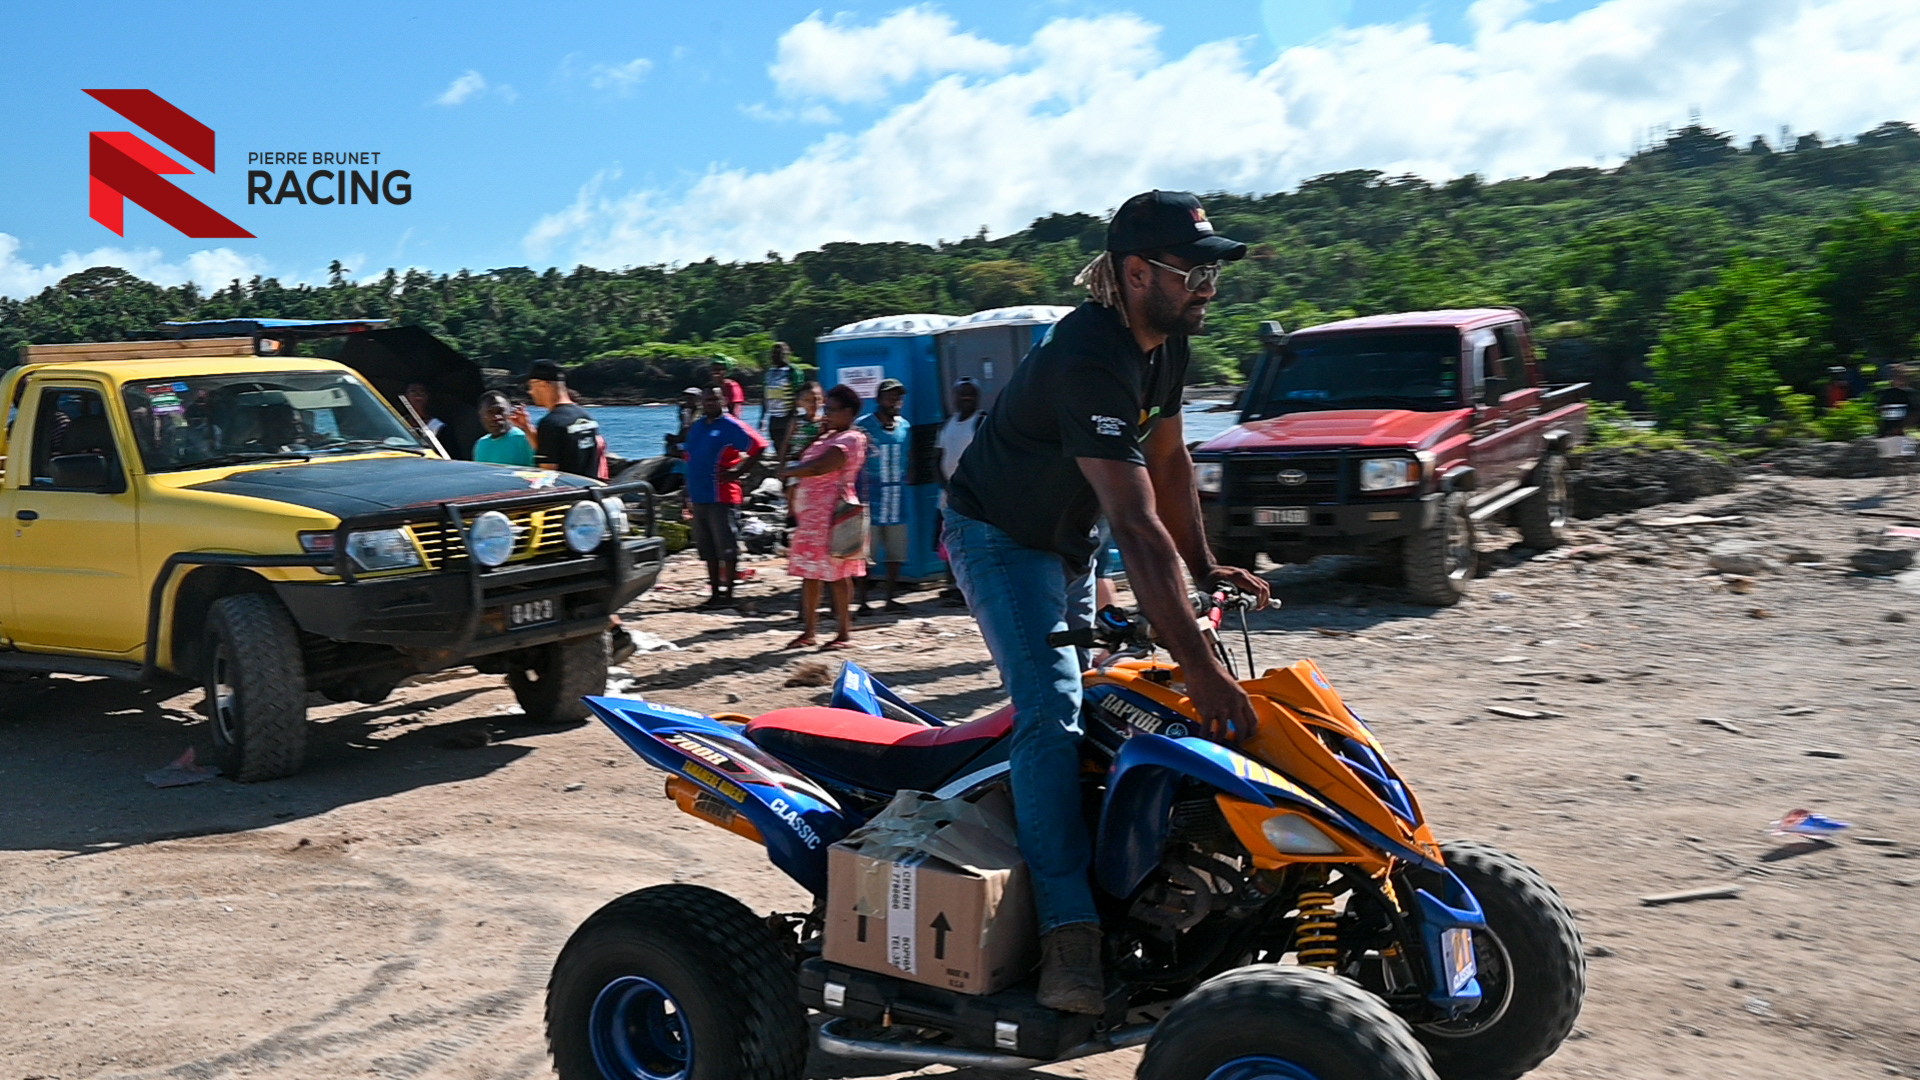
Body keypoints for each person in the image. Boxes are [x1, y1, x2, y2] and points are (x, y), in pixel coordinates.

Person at [943, 190, 1272, 1014]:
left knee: (1112, 702)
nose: (1208, 285)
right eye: (1191, 270)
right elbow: (1135, 522)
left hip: (1069, 539)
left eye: (1213, 271)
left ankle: (1121, 868)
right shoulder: (1089, 357)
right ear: (1133, 273)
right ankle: (1068, 935)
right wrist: (1201, 671)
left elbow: (1168, 466)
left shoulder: (1163, 347)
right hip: (1000, 538)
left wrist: (1206, 568)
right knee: (1051, 716)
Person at [779, 384, 868, 649]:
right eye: (825, 408)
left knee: (839, 573)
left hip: (835, 514)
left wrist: (788, 472)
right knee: (811, 573)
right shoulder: (828, 436)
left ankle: (843, 633)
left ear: (848, 412)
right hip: (814, 517)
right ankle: (809, 631)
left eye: (832, 409)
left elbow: (821, 466)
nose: (825, 413)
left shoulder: (851, 438)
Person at [685, 386, 769, 609]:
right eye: (706, 400)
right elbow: (690, 457)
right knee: (707, 548)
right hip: (699, 495)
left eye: (714, 399)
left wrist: (739, 472)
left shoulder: (731, 425)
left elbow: (759, 446)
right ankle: (714, 593)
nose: (709, 403)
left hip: (722, 495)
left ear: (723, 400)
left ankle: (729, 594)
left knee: (727, 546)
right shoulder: (698, 426)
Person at [856, 378, 912, 613]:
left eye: (898, 397)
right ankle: (862, 601)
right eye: (890, 396)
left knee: (896, 553)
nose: (895, 401)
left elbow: (909, 458)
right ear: (878, 399)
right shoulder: (862, 426)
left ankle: (890, 598)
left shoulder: (905, 427)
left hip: (897, 501)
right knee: (865, 554)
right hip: (869, 499)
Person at [935, 378, 985, 606]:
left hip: (972, 495)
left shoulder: (981, 422)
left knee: (971, 540)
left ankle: (969, 587)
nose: (966, 399)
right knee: (947, 541)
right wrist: (945, 485)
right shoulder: (948, 424)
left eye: (970, 395)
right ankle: (952, 585)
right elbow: (938, 458)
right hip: (948, 495)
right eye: (961, 395)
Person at [519, 360, 607, 479]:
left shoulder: (551, 423)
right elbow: (556, 452)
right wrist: (526, 427)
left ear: (542, 384)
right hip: (589, 491)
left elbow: (547, 476)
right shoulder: (586, 417)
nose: (530, 392)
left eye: (530, 386)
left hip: (568, 495)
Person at [472, 390, 536, 466]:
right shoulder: (481, 445)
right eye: (490, 412)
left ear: (510, 412)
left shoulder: (525, 440)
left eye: (500, 411)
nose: (496, 417)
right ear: (481, 416)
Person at [762, 342, 800, 462]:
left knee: (789, 446)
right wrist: (762, 417)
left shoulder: (793, 371)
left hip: (788, 416)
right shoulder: (769, 373)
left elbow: (799, 393)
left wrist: (796, 417)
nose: (775, 356)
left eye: (779, 353)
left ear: (787, 354)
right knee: (777, 445)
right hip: (773, 417)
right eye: (773, 353)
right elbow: (765, 395)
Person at [403, 382, 451, 457]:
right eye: (413, 391)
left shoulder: (439, 427)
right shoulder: (397, 423)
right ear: (405, 396)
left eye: (422, 392)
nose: (418, 395)